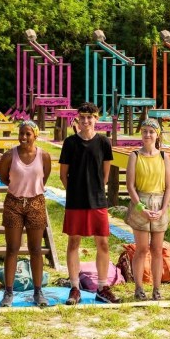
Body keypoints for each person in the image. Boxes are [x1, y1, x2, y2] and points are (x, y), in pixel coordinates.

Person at [60, 102, 118, 305]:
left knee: (102, 243)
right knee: (73, 243)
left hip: (97, 201)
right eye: (82, 117)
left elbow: (105, 175)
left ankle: (102, 287)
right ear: (77, 119)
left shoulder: (104, 142)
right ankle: (75, 287)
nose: (86, 121)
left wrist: (93, 191)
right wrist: (76, 192)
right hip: (75, 201)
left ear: (97, 119)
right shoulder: (69, 143)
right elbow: (63, 175)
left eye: (90, 117)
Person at [0, 120, 52, 308]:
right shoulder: (9, 156)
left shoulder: (43, 156)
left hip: (36, 202)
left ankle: (38, 291)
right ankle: (8, 291)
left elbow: (44, 176)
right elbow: (4, 177)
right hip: (14, 202)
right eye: (21, 133)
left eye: (28, 134)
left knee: (35, 249)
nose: (23, 138)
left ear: (35, 135)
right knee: (12, 248)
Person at [124, 118, 170, 301]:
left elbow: (168, 186)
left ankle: (157, 288)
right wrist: (141, 208)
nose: (147, 135)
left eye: (151, 132)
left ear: (157, 134)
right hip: (141, 201)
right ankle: (139, 287)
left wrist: (162, 209)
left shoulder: (163, 157)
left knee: (157, 249)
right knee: (142, 248)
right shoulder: (134, 156)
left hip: (159, 202)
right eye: (144, 131)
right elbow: (130, 186)